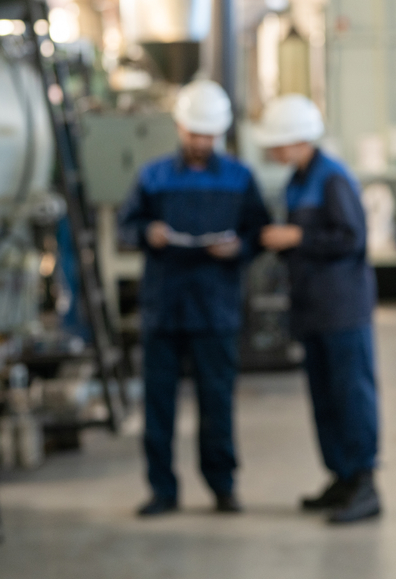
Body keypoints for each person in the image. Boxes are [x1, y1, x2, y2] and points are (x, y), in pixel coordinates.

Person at [119, 79, 270, 516]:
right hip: (164, 307)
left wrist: (238, 247)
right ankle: (162, 490)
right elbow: (128, 226)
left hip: (216, 306)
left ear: (219, 132)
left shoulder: (241, 178)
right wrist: (148, 232)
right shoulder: (153, 176)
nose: (200, 142)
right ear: (180, 127)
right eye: (193, 133)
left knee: (217, 402)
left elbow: (259, 232)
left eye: (208, 135)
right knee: (158, 404)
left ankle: (223, 485)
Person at [254, 93, 380, 524]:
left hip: (342, 309)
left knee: (351, 396)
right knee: (325, 398)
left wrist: (296, 239)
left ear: (296, 139)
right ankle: (341, 478)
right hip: (311, 308)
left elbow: (351, 239)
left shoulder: (331, 179)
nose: (271, 150)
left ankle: (364, 485)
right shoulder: (297, 179)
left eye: (276, 142)